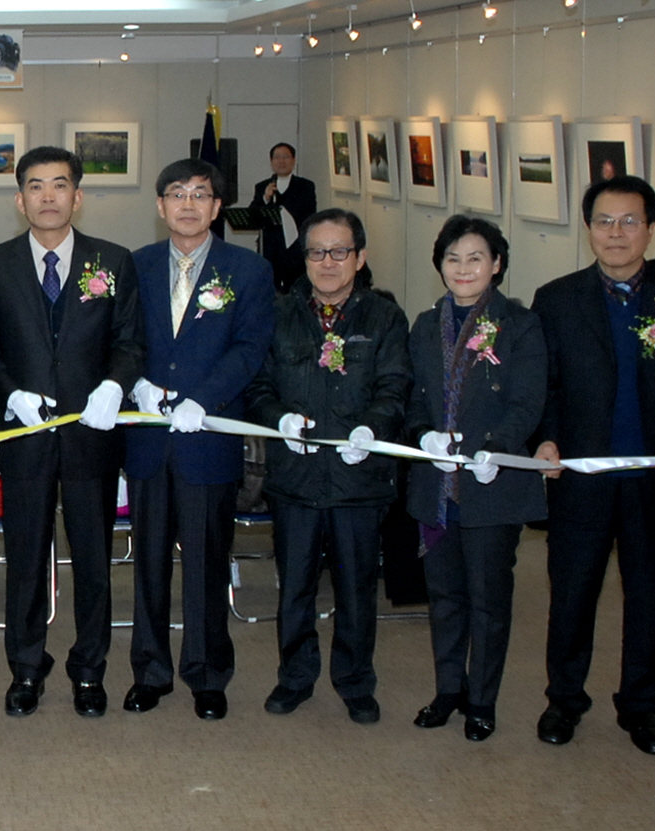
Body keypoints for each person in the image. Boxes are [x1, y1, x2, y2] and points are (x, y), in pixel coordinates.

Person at [531, 175, 655, 755]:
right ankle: (564, 699)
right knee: (572, 595)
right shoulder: (556, 298)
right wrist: (546, 440)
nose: (616, 233)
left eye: (629, 221)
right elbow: (546, 385)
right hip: (582, 478)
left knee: (649, 597)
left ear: (651, 228)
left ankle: (640, 706)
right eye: (604, 221)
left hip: (653, 478)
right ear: (588, 228)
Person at [0, 146, 143, 719]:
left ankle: (90, 669)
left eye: (60, 184)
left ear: (78, 195)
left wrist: (115, 386)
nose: (48, 196)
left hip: (92, 435)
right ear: (20, 200)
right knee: (25, 558)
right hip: (25, 436)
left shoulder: (113, 260)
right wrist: (8, 393)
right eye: (36, 186)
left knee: (93, 559)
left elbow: (129, 342)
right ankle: (26, 667)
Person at [123, 159, 275, 721]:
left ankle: (208, 673)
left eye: (200, 194)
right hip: (147, 440)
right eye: (177, 193)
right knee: (149, 563)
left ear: (217, 207)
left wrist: (203, 400)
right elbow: (122, 339)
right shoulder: (134, 265)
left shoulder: (248, 270)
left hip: (207, 438)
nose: (188, 204)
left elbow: (250, 348)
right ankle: (150, 671)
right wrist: (136, 383)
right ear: (160, 205)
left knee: (208, 564)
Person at [246, 207, 410, 726]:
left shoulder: (384, 317)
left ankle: (355, 681)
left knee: (356, 588)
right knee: (294, 585)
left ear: (359, 257)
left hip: (359, 480)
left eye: (340, 251)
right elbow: (258, 386)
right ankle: (295, 676)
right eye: (317, 252)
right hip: (294, 479)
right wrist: (279, 419)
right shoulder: (278, 314)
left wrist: (373, 430)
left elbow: (395, 388)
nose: (328, 262)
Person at [403, 215, 545, 742]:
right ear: (440, 266)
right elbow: (412, 397)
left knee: (488, 599)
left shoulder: (519, 324)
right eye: (453, 259)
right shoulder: (425, 325)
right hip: (437, 487)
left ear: (497, 264)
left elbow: (527, 402)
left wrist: (497, 448)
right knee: (444, 596)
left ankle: (482, 700)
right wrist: (424, 436)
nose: (463, 269)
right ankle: (448, 689)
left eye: (476, 258)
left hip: (492, 485)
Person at [247, 142, 317, 293]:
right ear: (271, 161)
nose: (281, 161)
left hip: (294, 247)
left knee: (295, 288)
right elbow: (252, 215)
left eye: (286, 157)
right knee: (268, 287)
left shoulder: (305, 186)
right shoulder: (262, 186)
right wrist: (265, 198)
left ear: (294, 160)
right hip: (269, 247)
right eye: (277, 157)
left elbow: (309, 215)